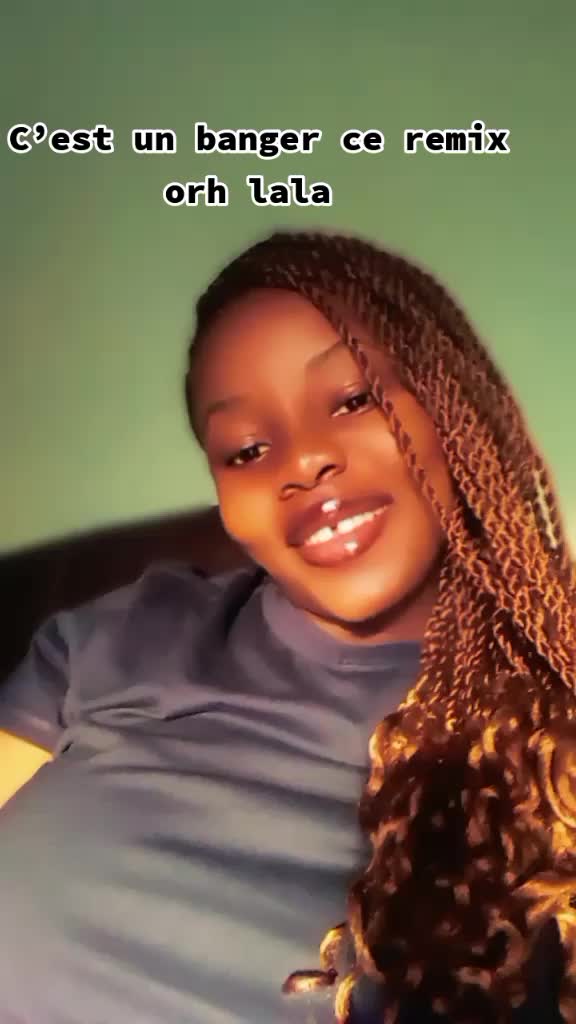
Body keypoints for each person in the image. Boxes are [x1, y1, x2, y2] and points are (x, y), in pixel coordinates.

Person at [0, 230, 574, 1024]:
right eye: (246, 449)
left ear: (452, 407)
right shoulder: (126, 635)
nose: (302, 461)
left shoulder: (554, 706)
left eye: (352, 399)